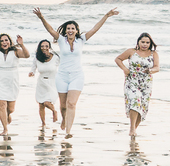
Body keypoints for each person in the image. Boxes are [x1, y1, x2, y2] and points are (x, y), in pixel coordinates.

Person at [32, 7, 119, 138]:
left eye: (73, 28)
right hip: (62, 76)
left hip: (77, 76)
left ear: (76, 30)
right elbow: (50, 30)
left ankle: (68, 131)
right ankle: (64, 119)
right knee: (63, 106)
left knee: (71, 103)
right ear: (65, 31)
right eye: (68, 28)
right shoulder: (61, 40)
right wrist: (41, 17)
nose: (70, 30)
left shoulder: (81, 39)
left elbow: (94, 29)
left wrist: (106, 16)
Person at [116, 33, 161, 137]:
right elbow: (118, 59)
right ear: (138, 42)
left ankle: (133, 130)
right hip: (132, 81)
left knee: (143, 107)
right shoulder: (131, 51)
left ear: (150, 44)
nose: (145, 44)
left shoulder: (153, 54)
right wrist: (125, 69)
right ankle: (132, 128)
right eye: (143, 42)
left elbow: (157, 67)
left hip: (146, 83)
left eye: (147, 42)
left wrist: (150, 70)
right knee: (135, 101)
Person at [0, 33, 29, 136]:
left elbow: (27, 55)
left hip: (12, 82)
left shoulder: (16, 51)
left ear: (10, 41)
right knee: (2, 105)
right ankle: (5, 129)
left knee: (11, 109)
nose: (4, 42)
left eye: (6, 40)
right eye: (2, 41)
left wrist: (22, 45)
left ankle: (7, 114)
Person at [28, 40, 60, 127]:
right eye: (42, 46)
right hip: (41, 82)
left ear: (49, 47)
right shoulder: (38, 57)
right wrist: (32, 72)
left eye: (46, 46)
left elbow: (62, 67)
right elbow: (33, 67)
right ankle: (43, 124)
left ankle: (54, 111)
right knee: (41, 104)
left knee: (47, 102)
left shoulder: (55, 57)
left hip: (52, 82)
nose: (44, 48)